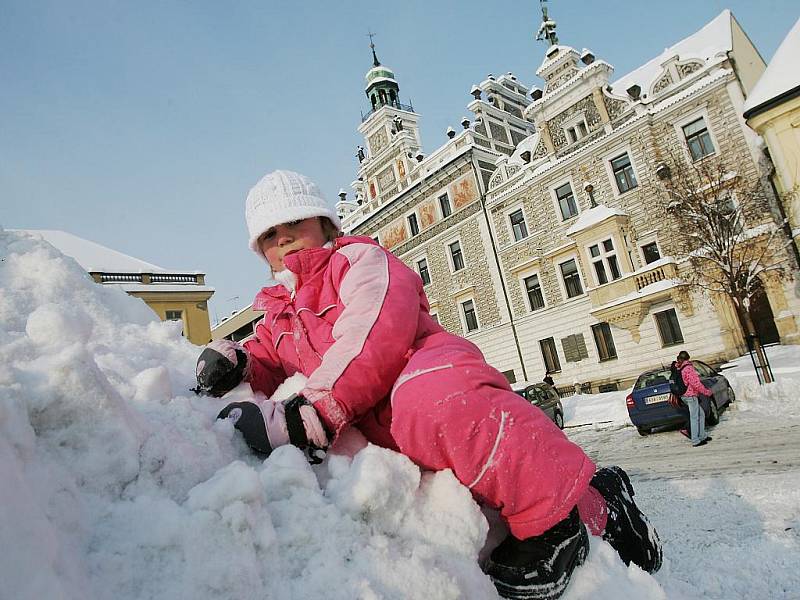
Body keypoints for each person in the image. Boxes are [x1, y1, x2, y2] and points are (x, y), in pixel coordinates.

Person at [195, 170, 662, 599]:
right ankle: (602, 499)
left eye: (294, 221)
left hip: (418, 363)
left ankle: (556, 526)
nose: (284, 238)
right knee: (441, 440)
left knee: (439, 405)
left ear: (324, 221)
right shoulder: (280, 309)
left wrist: (315, 410)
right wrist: (234, 360)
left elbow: (372, 328)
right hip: (376, 407)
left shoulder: (359, 262)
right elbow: (269, 355)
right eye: (269, 235)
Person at [674, 351, 713, 447]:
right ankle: (695, 440)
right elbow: (695, 383)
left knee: (701, 414)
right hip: (690, 396)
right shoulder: (688, 368)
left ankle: (702, 435)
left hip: (684, 395)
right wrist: (706, 392)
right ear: (687, 358)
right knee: (694, 417)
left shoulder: (678, 367)